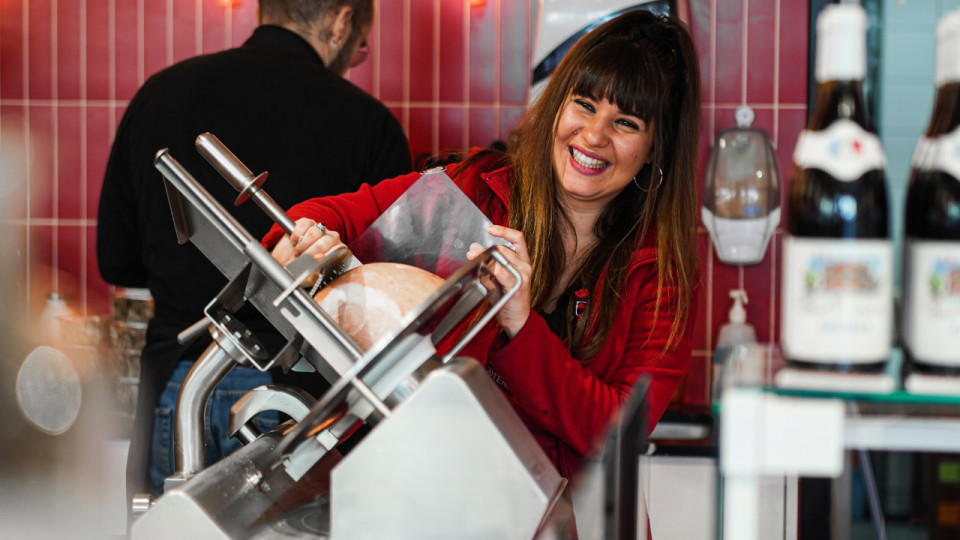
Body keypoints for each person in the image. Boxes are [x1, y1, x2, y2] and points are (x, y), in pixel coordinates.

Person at [263, 8, 700, 479]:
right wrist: (300, 234)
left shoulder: (660, 272)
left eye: (626, 123)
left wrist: (521, 325)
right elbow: (339, 214)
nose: (593, 135)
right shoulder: (480, 188)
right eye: (585, 105)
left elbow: (618, 432)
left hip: (565, 517)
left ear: (657, 146)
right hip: (433, 498)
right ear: (558, 104)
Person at [96, 0, 412, 501]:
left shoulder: (160, 95)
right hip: (304, 403)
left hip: (180, 387)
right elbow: (386, 294)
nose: (358, 55)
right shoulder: (369, 125)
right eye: (361, 42)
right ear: (342, 21)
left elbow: (116, 259)